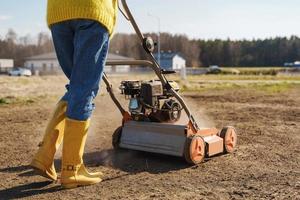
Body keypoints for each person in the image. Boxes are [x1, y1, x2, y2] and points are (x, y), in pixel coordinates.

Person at [30, 0, 118, 189]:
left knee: (78, 87)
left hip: (59, 13)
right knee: (84, 89)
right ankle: (72, 169)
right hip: (91, 10)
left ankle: (44, 156)